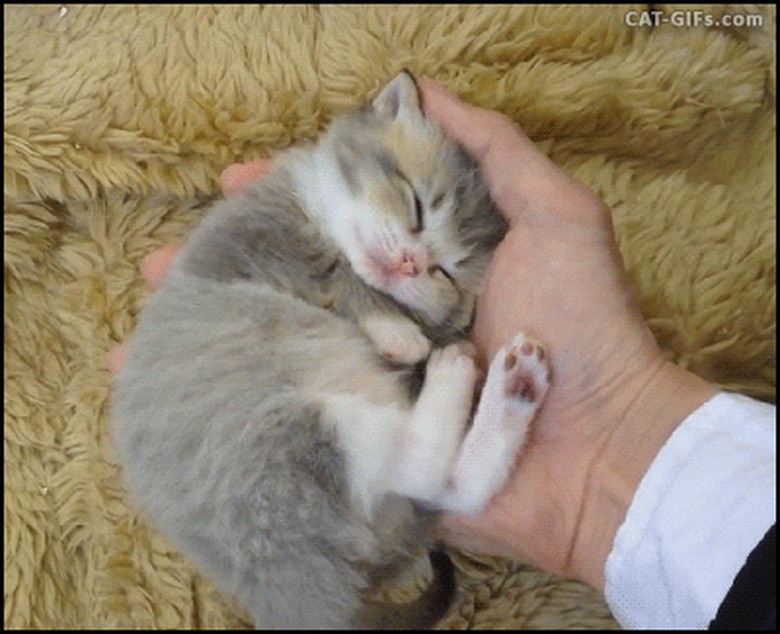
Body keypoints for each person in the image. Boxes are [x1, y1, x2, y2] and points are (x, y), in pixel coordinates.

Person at [109, 78, 776, 629]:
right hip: (239, 442)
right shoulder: (295, 193)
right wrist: (368, 308)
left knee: (361, 434)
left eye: (445, 275)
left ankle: (454, 474)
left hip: (314, 491)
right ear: (386, 114)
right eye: (417, 209)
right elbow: (234, 264)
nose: (409, 259)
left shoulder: (409, 332)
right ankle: (439, 469)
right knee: (335, 424)